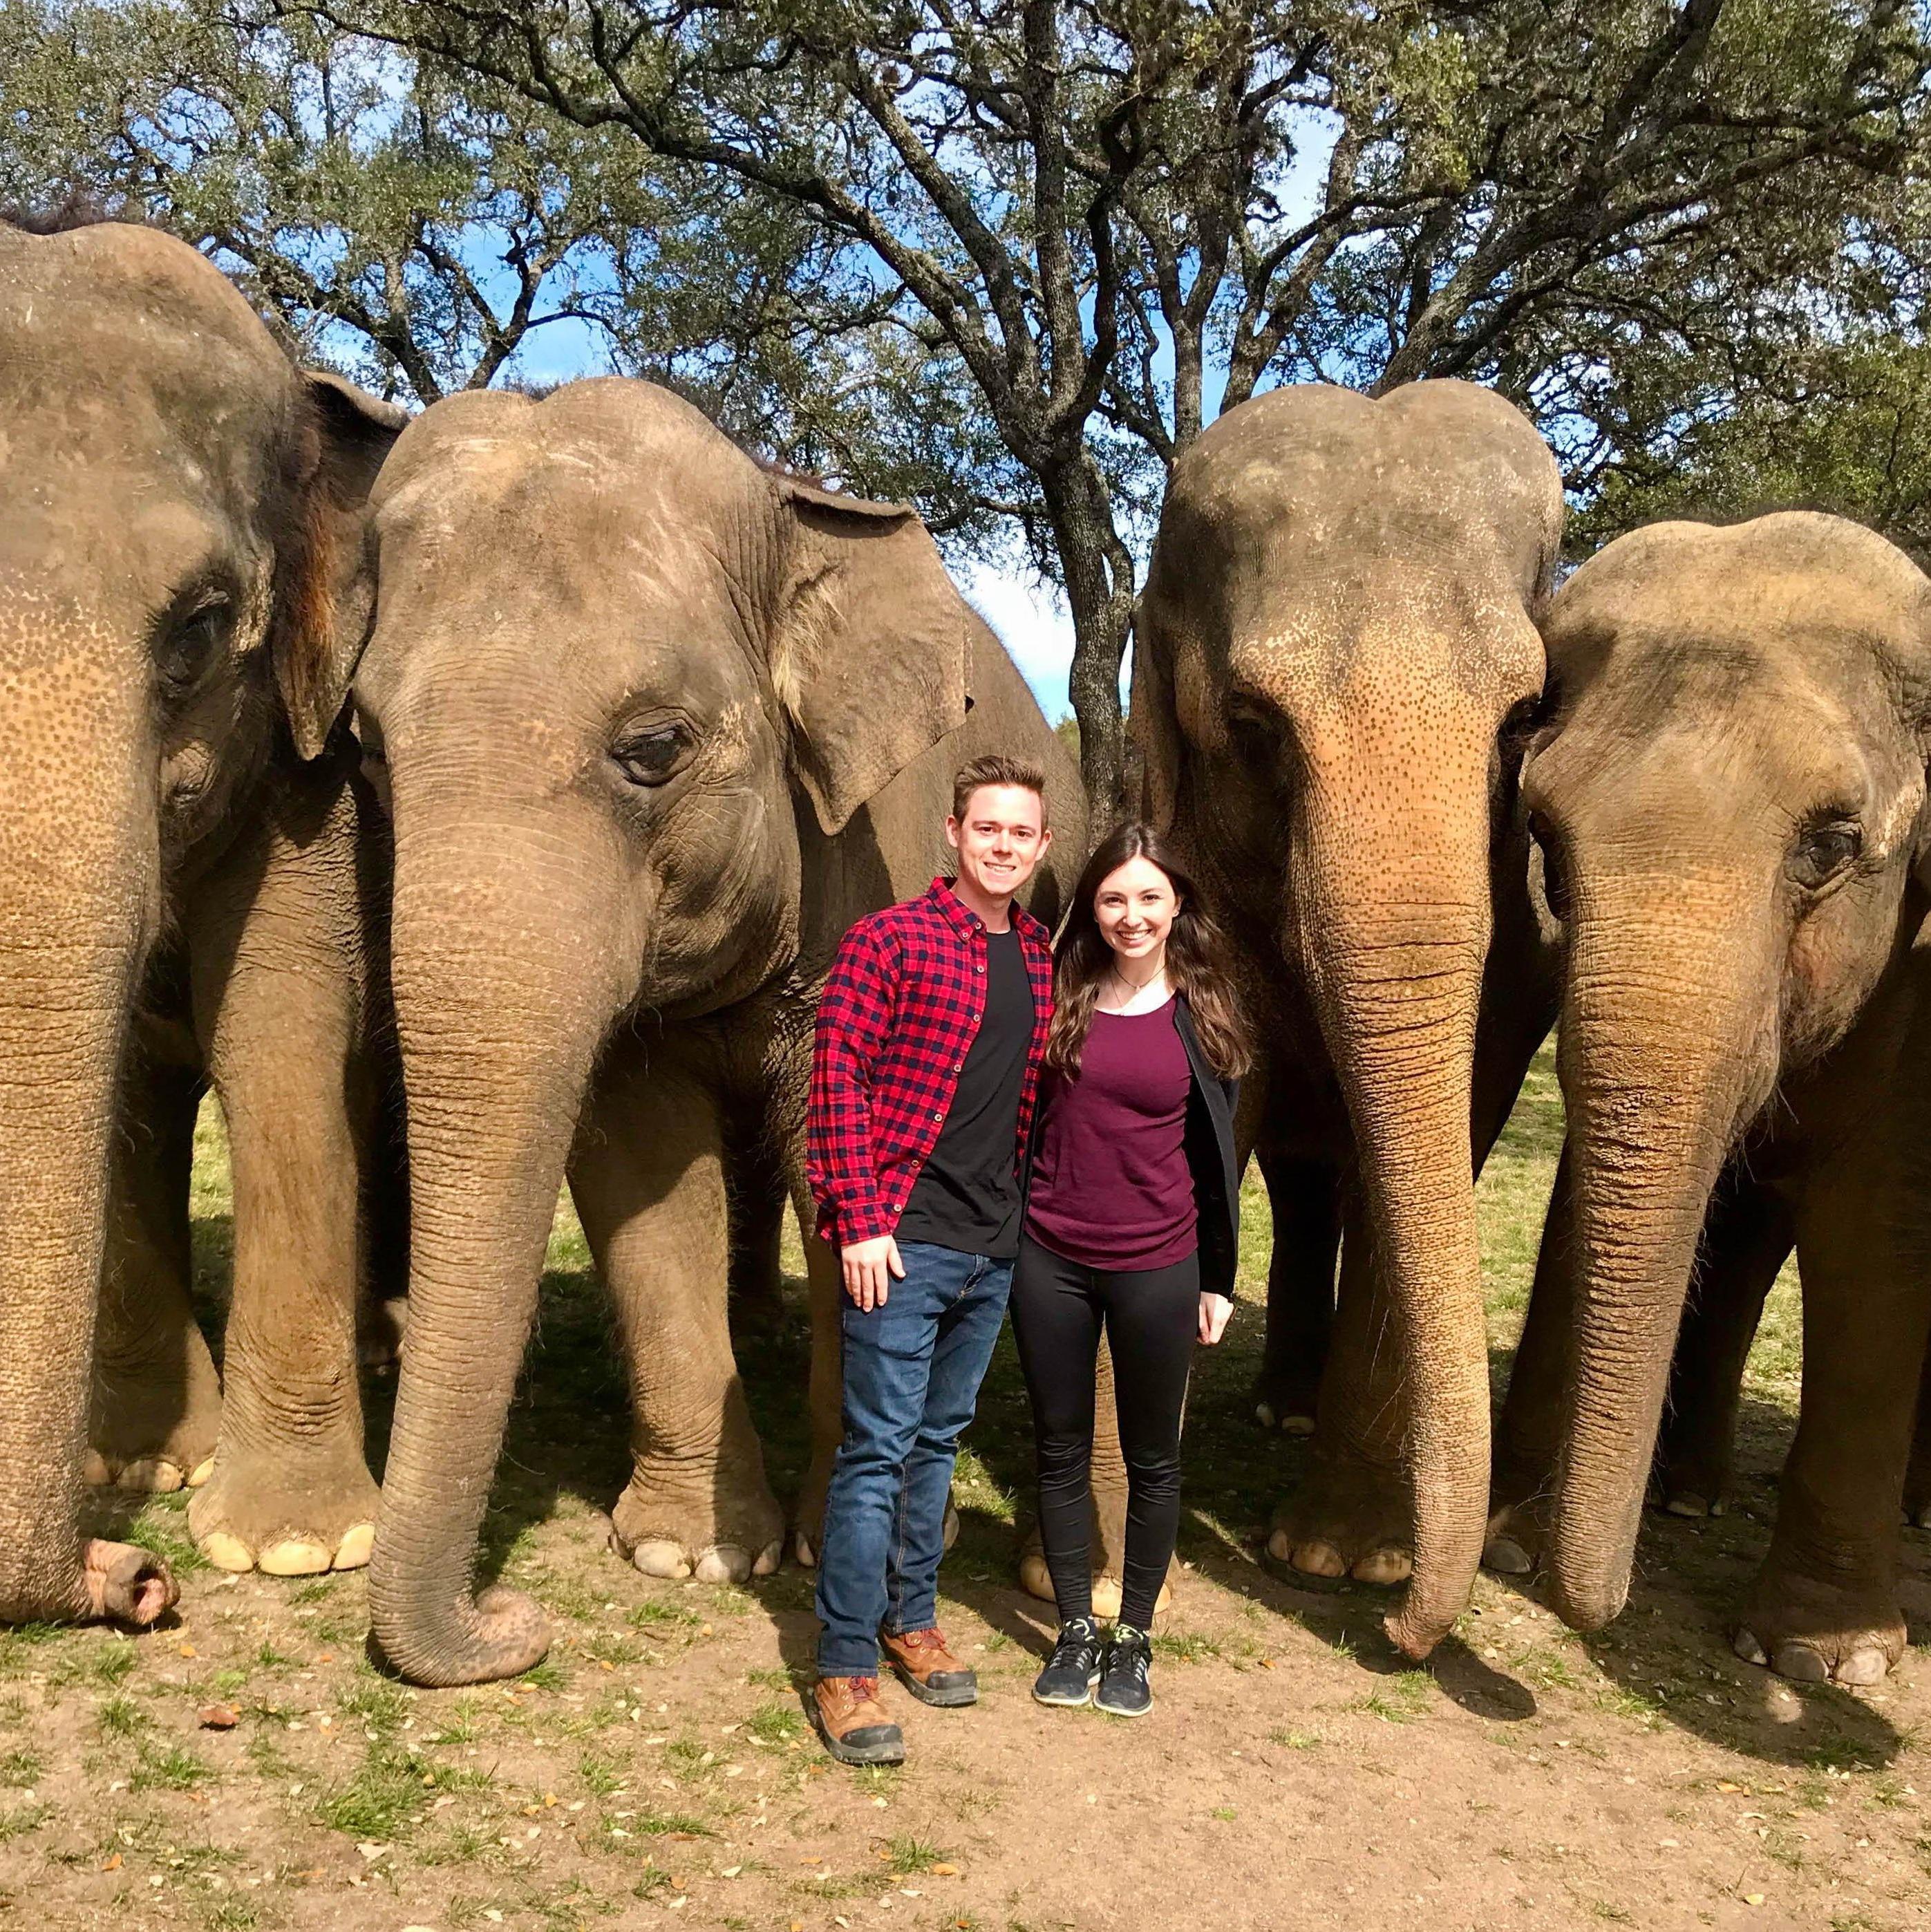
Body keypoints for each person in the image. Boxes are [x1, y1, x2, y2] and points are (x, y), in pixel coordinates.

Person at [804, 754, 1056, 1765]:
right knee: (874, 1451)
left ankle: (912, 1619)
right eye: (985, 828)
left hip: (992, 1247)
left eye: (1020, 833)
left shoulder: (1040, 954)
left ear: (1040, 848)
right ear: (952, 834)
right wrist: (858, 1219)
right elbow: (836, 1081)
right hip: (899, 1241)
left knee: (939, 1441)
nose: (1002, 846)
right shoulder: (888, 941)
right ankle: (843, 1665)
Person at [1012, 821, 1247, 1718]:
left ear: (1175, 903)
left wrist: (1217, 1279)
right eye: (1114, 897)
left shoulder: (1203, 1010)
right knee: (1060, 1447)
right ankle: (1075, 1630)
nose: (1131, 914)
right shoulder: (1062, 995)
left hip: (1159, 1264)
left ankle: (1134, 1638)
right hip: (1052, 1260)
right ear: (1093, 906)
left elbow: (1217, 1158)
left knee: (1152, 1460)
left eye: (1149, 897)